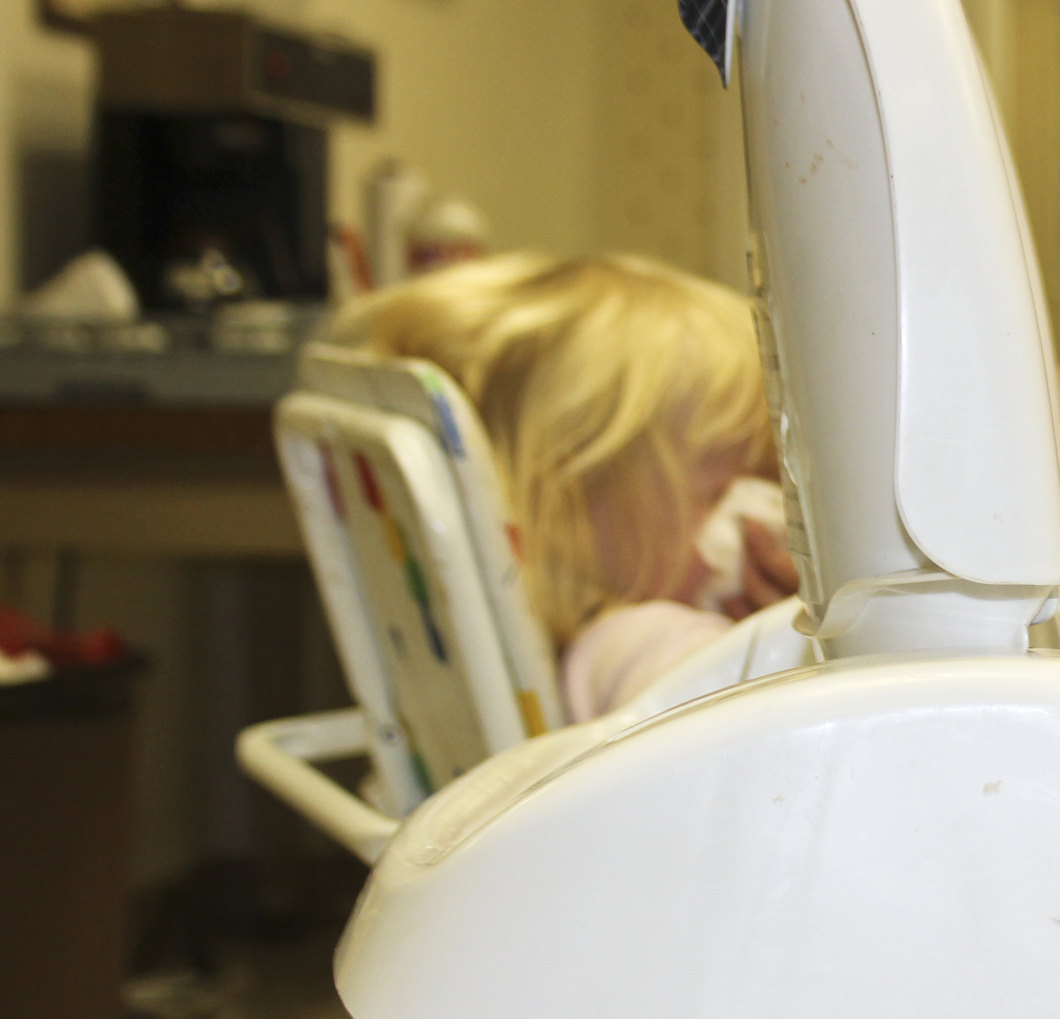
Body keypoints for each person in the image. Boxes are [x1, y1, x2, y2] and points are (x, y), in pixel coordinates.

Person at [332, 252, 793, 718]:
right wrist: (795, 640)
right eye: (717, 495)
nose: (759, 515)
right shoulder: (658, 645)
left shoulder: (503, 656)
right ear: (564, 504)